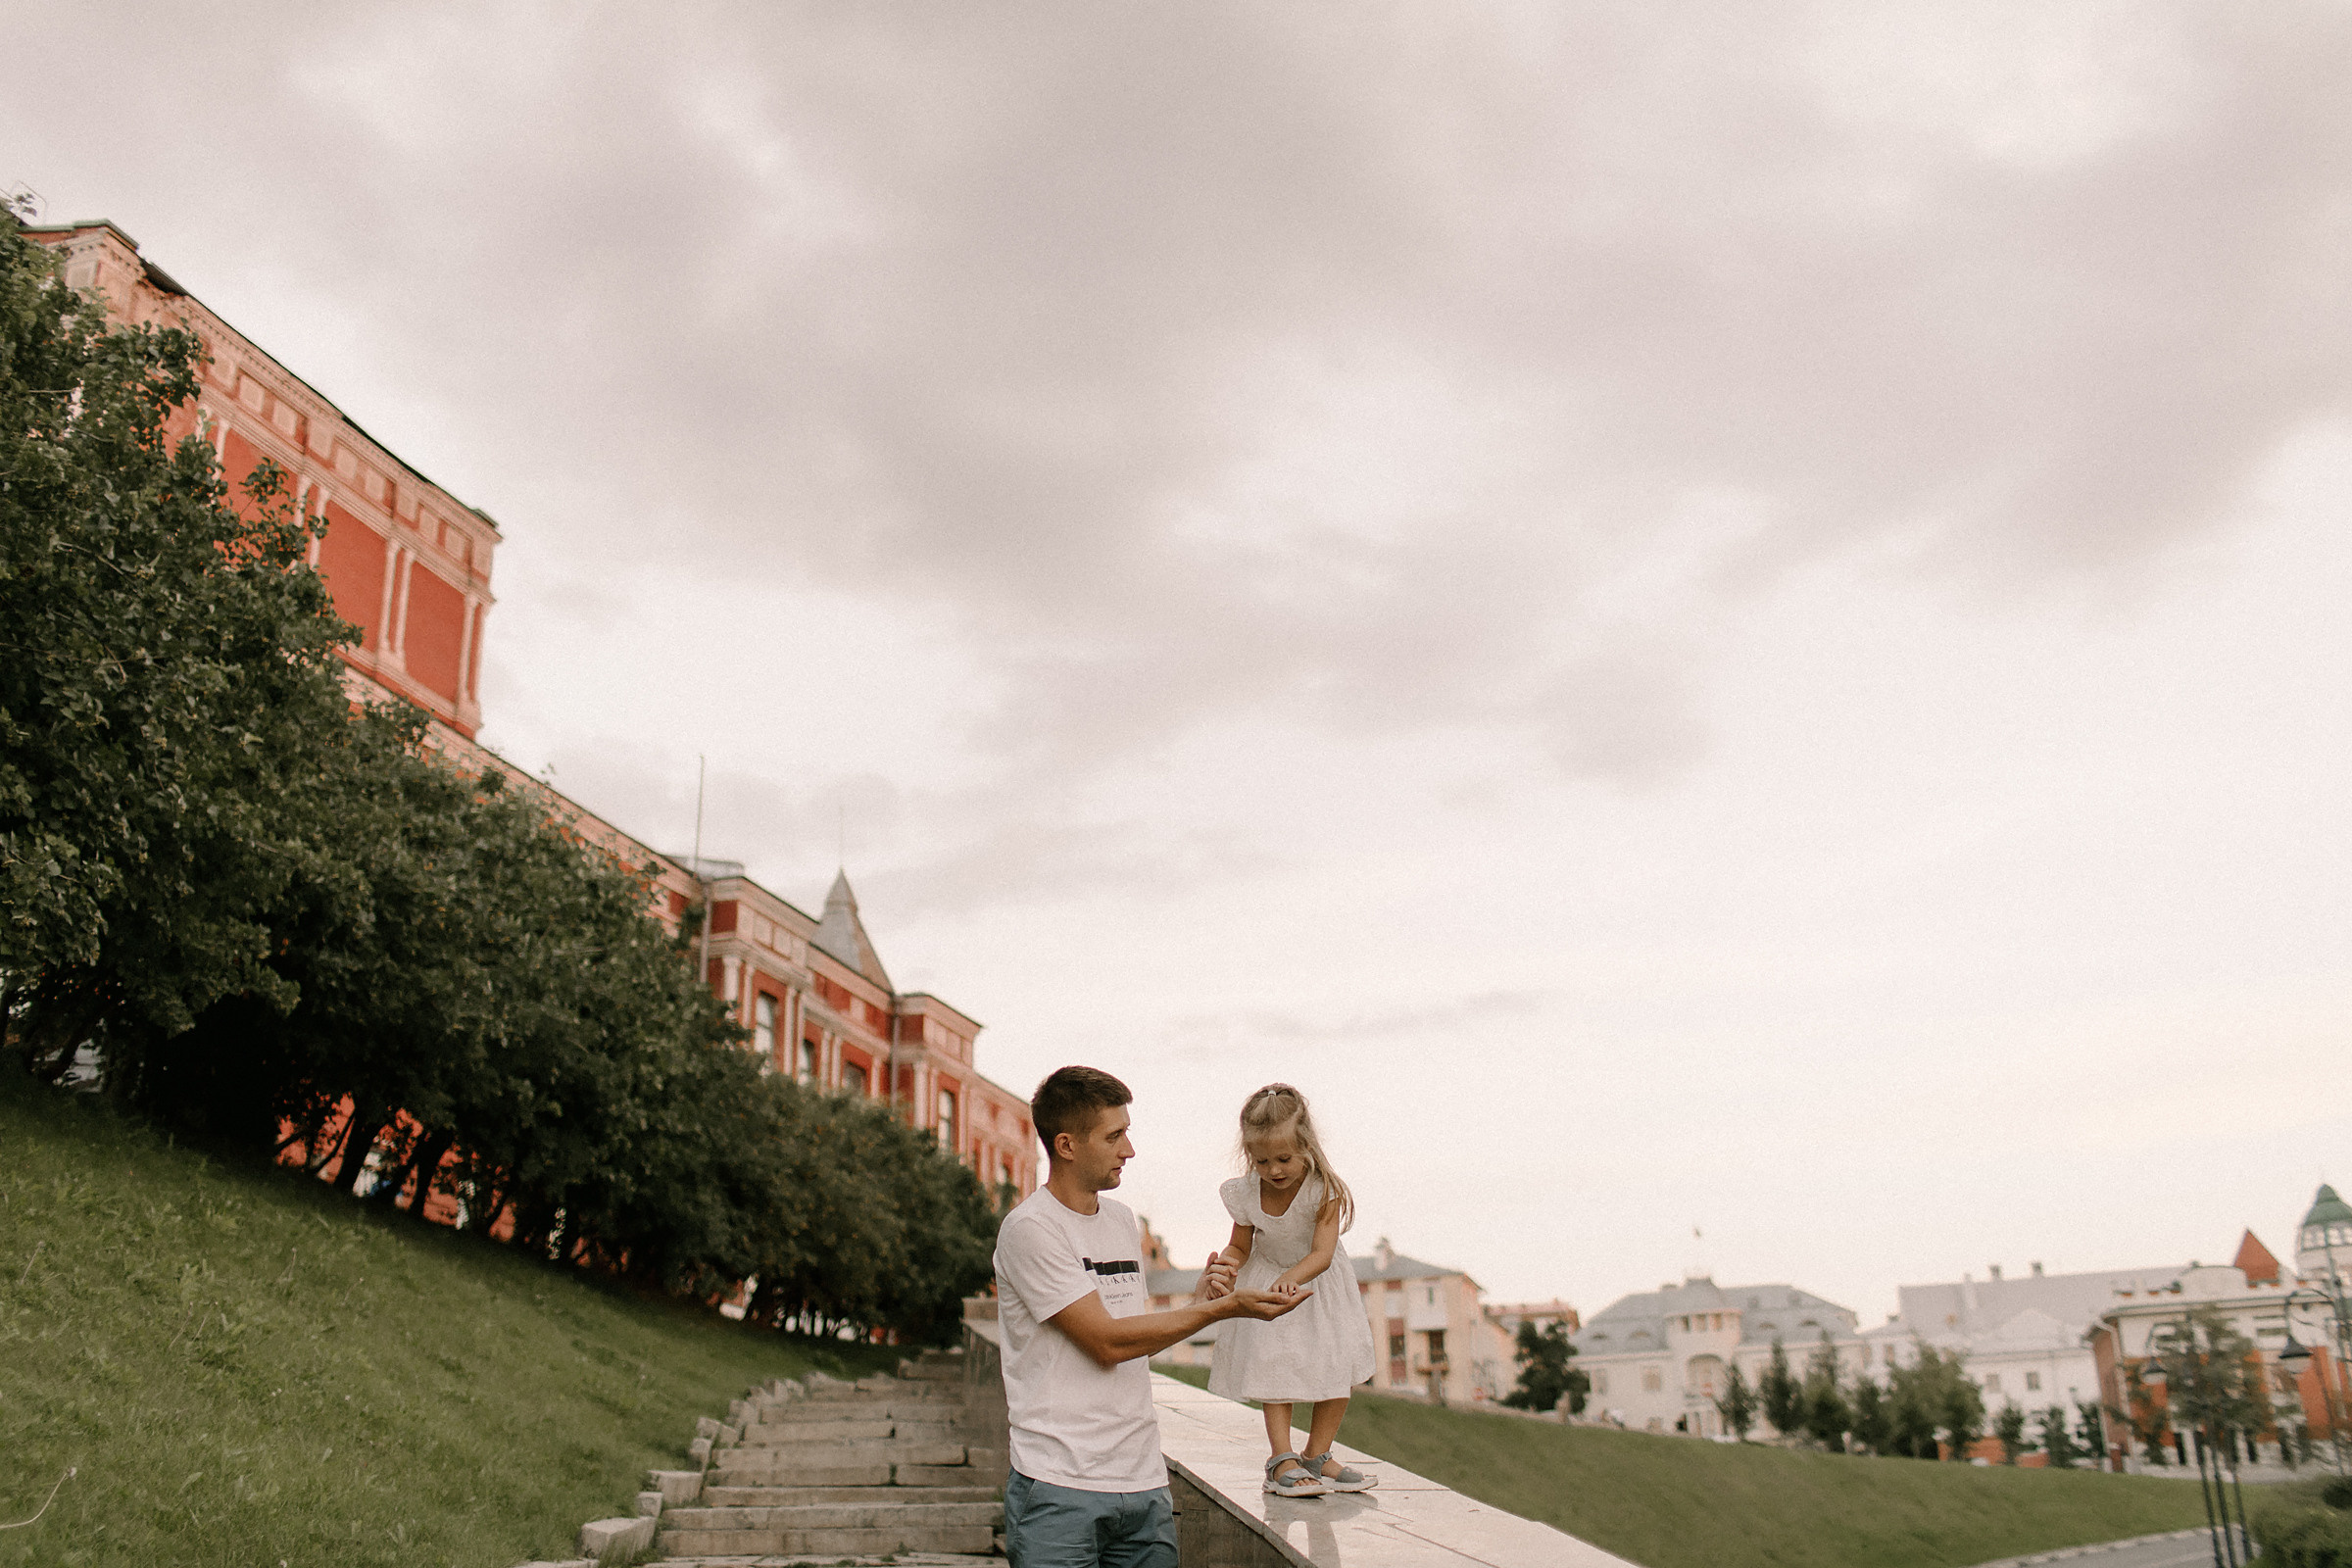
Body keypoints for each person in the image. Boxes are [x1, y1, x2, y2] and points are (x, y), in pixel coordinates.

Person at [994, 1065, 1309, 1568]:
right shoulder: (1031, 1230)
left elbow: (1134, 1336)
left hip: (1142, 1482)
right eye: (1114, 1136)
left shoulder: (1120, 1221)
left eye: (1128, 1133)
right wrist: (1224, 1309)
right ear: (1067, 1145)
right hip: (1059, 1485)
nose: (1129, 1150)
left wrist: (1197, 1303)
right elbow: (1106, 1343)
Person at [1201, 1082, 1379, 1497]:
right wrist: (1228, 1263)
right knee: (1273, 1366)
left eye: (1284, 1159)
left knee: (1337, 1366)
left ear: (1307, 1148)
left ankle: (1318, 1454)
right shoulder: (1247, 1192)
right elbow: (1240, 1244)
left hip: (1319, 1285)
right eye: (1262, 1161)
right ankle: (1281, 1459)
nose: (1274, 1170)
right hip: (1270, 1285)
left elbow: (1321, 1253)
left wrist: (1293, 1277)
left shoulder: (1324, 1190)